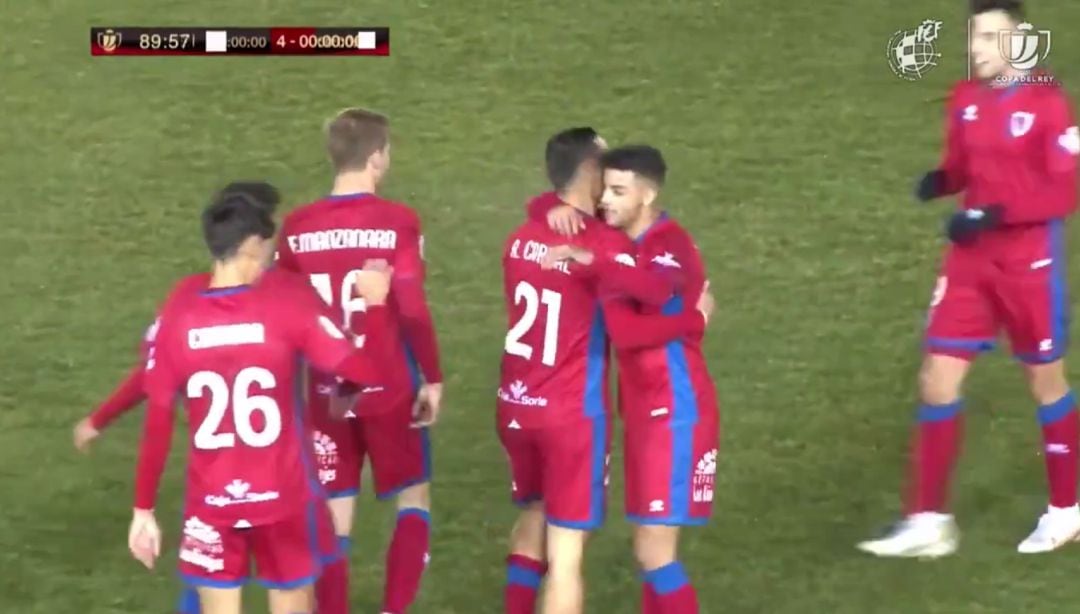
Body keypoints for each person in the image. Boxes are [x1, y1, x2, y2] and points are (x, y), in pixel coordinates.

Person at [858, 0, 1079, 558]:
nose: (976, 49)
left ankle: (1067, 508)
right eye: (973, 38)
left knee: (1045, 383)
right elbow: (962, 166)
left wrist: (994, 213)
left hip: (1028, 265)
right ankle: (930, 520)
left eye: (988, 38)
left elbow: (1065, 191)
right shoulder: (965, 99)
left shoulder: (1049, 104)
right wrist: (941, 180)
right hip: (970, 263)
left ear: (1018, 39)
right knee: (936, 379)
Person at [127, 191, 396, 614]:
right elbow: (365, 372)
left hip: (211, 504)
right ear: (252, 246)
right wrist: (376, 305)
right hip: (283, 499)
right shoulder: (285, 306)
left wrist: (143, 508)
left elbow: (158, 419)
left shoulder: (178, 317)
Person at [499, 128, 704, 614]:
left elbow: (541, 209)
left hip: (514, 406)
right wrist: (696, 316)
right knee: (566, 558)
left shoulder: (521, 237)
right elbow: (645, 305)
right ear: (589, 173)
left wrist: (546, 206)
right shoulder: (605, 244)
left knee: (534, 515)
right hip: (570, 414)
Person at [73, 182, 281, 614]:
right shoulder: (284, 300)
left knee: (208, 578)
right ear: (253, 242)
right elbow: (157, 377)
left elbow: (155, 378)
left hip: (216, 480)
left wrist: (101, 420)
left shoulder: (186, 298)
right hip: (276, 476)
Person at [275, 108, 441, 614]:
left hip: (328, 390)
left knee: (335, 519)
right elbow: (410, 306)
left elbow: (284, 310)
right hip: (388, 384)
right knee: (412, 501)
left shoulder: (297, 228)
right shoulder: (397, 223)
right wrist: (432, 377)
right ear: (376, 157)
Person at [545, 145, 719, 613]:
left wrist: (597, 263)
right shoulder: (617, 245)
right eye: (605, 191)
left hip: (677, 410)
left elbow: (651, 297)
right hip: (643, 411)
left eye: (619, 192)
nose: (606, 202)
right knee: (650, 551)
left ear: (649, 194)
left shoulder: (668, 244)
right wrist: (562, 212)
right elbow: (625, 327)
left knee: (654, 552)